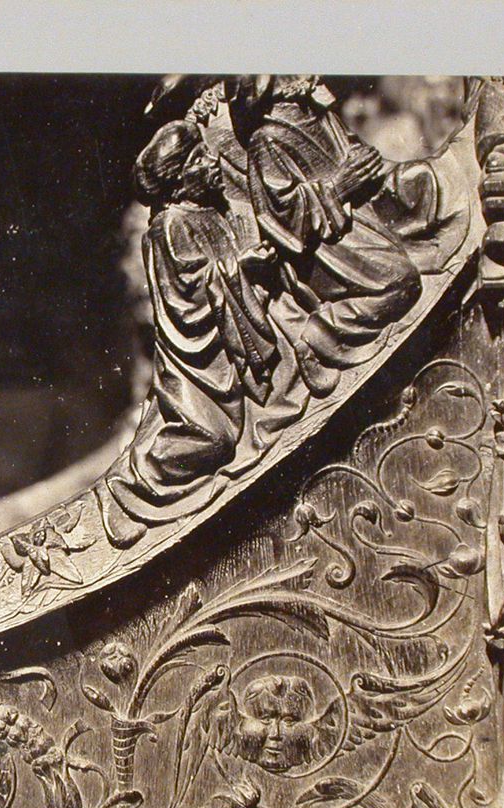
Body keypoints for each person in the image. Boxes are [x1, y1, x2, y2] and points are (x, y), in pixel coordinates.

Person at [98, 119, 291, 548]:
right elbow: (188, 296)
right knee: (213, 438)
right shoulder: (169, 227)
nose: (212, 161)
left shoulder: (209, 211)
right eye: (200, 158)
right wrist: (241, 269)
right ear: (180, 176)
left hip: (230, 341)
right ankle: (136, 481)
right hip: (196, 363)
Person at [242, 75, 423, 396]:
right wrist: (338, 186)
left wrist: (369, 165)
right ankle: (317, 336)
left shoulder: (319, 114)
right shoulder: (266, 139)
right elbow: (279, 216)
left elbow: (356, 159)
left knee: (429, 190)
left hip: (360, 217)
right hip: (321, 248)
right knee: (401, 281)